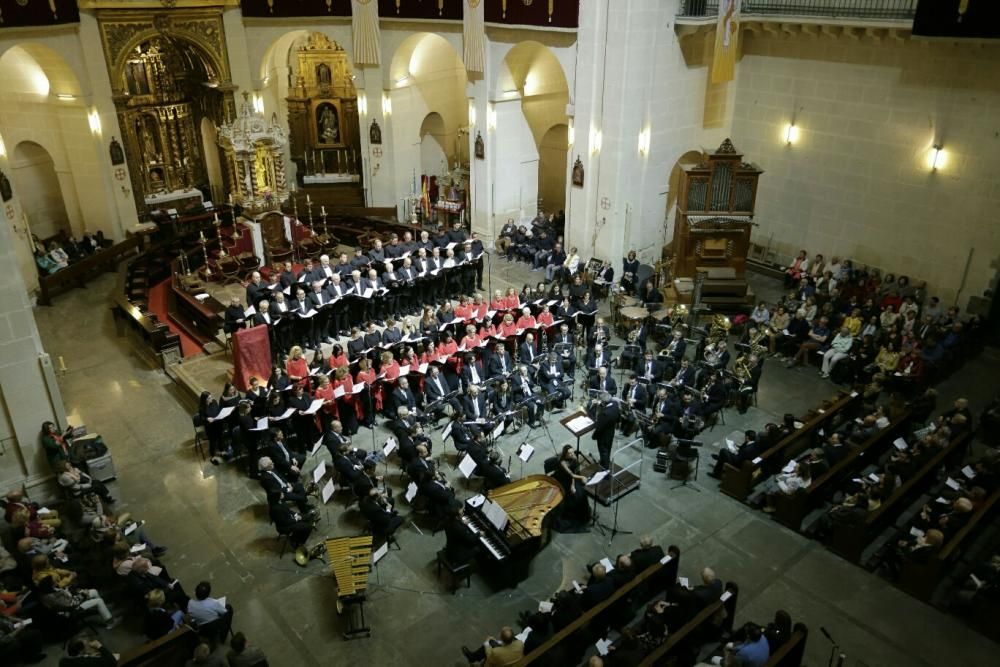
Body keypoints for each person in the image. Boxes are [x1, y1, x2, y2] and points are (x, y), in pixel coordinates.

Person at [591, 391, 620, 468]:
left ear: (604, 402)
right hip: (611, 432)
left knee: (603, 451)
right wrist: (600, 404)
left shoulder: (605, 414)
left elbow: (600, 427)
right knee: (608, 449)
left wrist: (594, 436)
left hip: (603, 436)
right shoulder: (615, 404)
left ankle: (605, 468)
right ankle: (605, 461)